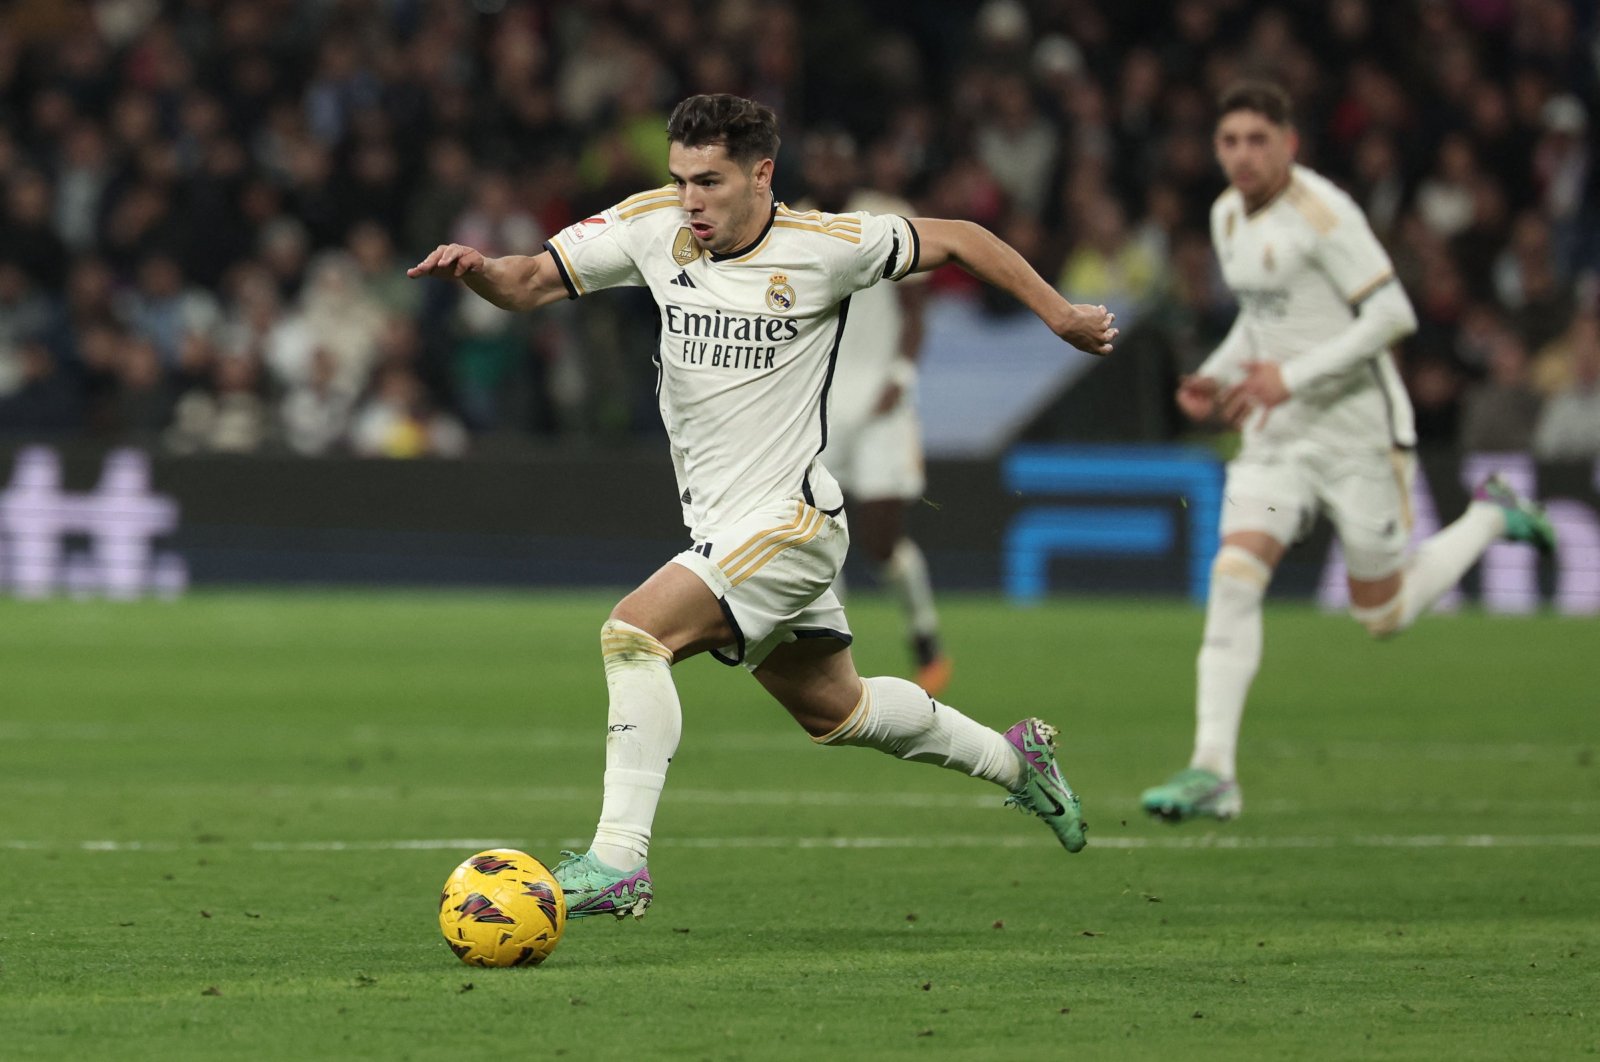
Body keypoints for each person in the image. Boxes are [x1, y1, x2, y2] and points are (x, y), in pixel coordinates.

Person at [409, 94, 1118, 918]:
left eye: (709, 181)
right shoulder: (652, 226)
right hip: (726, 529)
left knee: (634, 634)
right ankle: (1016, 761)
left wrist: (1059, 314)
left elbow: (961, 237)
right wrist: (483, 273)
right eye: (679, 180)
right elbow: (529, 281)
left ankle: (618, 861)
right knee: (839, 709)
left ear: (761, 174)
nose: (691, 201)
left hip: (791, 521)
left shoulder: (826, 247)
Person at [1139, 82, 1555, 825]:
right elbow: (1266, 324)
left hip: (1356, 434)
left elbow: (1394, 314)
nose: (1242, 154)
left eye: (1257, 140)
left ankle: (1491, 516)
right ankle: (1214, 770)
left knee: (1384, 614)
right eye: (1229, 140)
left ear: (1289, 144)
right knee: (1234, 575)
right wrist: (1220, 373)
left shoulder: (1325, 215)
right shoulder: (1226, 215)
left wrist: (1286, 378)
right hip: (1275, 438)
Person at [798, 129, 952, 695]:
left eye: (838, 156)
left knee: (881, 540)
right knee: (821, 534)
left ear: (852, 164)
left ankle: (925, 635)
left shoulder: (887, 217)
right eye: (820, 157)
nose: (828, 167)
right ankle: (832, 663)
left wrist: (901, 377)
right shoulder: (793, 223)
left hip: (883, 399)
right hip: (820, 403)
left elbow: (915, 310)